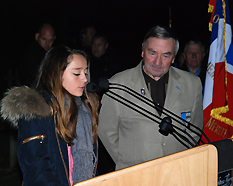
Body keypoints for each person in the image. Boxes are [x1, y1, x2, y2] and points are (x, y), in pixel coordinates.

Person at [97, 25, 203, 170]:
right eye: (152, 53)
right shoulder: (117, 84)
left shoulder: (192, 84)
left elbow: (194, 130)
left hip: (177, 172)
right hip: (134, 174)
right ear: (142, 51)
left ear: (174, 58)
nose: (157, 62)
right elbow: (106, 131)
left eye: (165, 55)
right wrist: (127, 163)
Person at [1, 46, 99, 185]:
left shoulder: (85, 110)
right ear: (57, 74)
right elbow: (36, 169)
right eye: (77, 73)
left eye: (85, 73)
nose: (84, 79)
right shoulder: (38, 112)